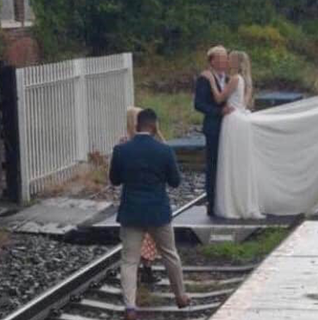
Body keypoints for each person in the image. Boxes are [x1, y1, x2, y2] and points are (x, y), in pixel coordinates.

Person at [110, 109, 190, 320]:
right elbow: (175, 182)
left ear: (137, 126)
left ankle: (130, 307)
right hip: (158, 212)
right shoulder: (164, 151)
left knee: (129, 260)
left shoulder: (121, 150)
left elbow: (115, 180)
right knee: (170, 254)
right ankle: (180, 296)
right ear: (154, 126)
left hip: (131, 212)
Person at [200, 51, 263, 219]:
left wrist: (212, 80)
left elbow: (220, 98)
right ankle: (237, 201)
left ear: (236, 62)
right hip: (239, 118)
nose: (227, 61)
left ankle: (230, 203)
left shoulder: (234, 79)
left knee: (229, 162)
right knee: (236, 163)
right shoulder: (243, 80)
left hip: (231, 121)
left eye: (230, 59)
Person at [124, 106, 163, 284]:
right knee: (148, 236)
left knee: (141, 237)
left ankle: (144, 268)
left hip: (132, 199)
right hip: (149, 198)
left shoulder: (124, 144)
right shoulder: (150, 143)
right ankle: (146, 267)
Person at [194, 45, 234, 216]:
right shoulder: (205, 78)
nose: (223, 61)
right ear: (212, 61)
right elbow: (199, 104)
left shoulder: (230, 78)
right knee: (213, 164)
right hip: (214, 127)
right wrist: (218, 112)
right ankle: (212, 201)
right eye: (220, 59)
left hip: (231, 127)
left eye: (225, 58)